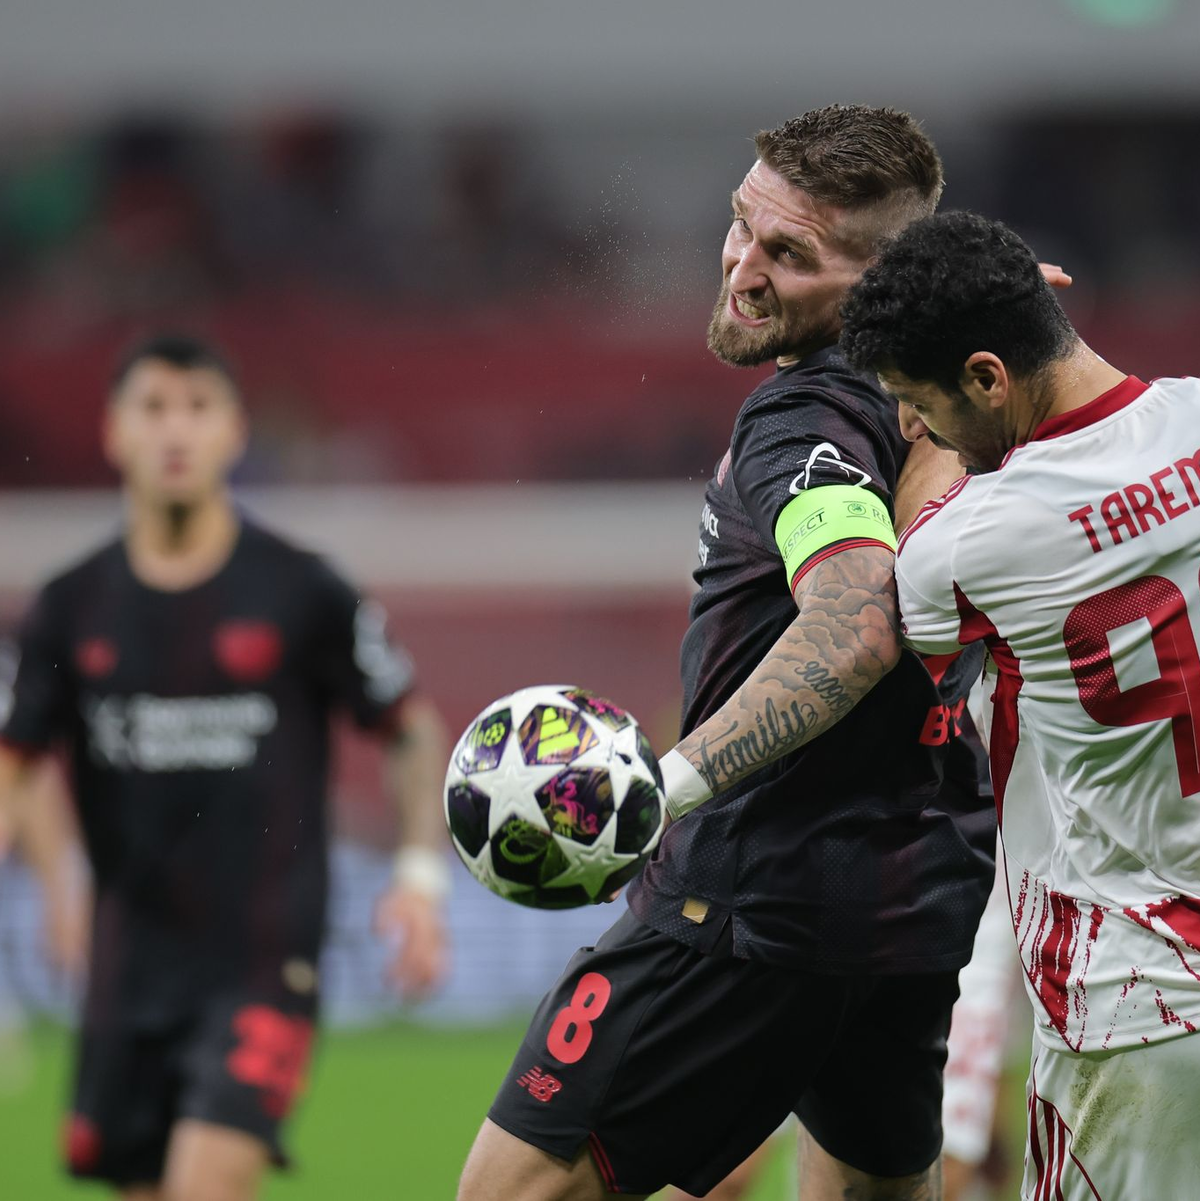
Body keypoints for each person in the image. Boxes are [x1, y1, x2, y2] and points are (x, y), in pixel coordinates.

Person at [459, 105, 1000, 1201]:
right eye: (743, 226)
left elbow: (852, 622)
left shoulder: (801, 416)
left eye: (790, 255)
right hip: (916, 891)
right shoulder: (965, 397)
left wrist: (671, 783)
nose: (743, 268)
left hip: (750, 903)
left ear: (885, 276)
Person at [0, 334, 451, 1201]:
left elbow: (408, 729)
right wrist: (55, 877)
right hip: (127, 963)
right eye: (154, 408)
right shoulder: (68, 606)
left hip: (262, 958)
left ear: (234, 432)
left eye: (198, 408)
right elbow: (17, 759)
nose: (177, 431)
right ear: (113, 431)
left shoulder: (303, 589)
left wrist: (420, 878)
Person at [839, 209, 1200, 1199]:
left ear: (988, 377)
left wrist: (933, 446)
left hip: (1137, 1000)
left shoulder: (976, 542)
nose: (917, 425)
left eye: (919, 402)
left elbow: (915, 584)